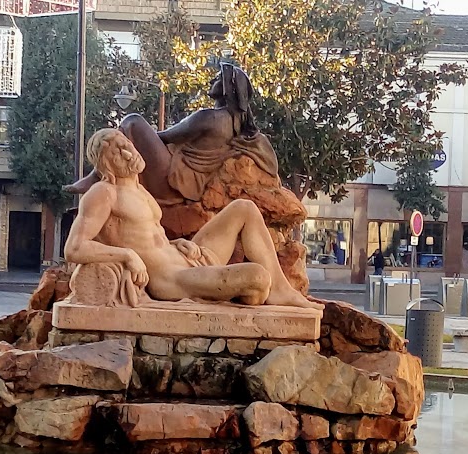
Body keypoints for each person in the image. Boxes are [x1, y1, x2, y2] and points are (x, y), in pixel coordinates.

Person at [64, 128, 321, 310]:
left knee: (244, 208)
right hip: (173, 279)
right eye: (117, 154)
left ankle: (280, 290)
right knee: (257, 277)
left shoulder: (140, 190)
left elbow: (150, 238)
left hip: (189, 258)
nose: (129, 153)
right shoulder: (104, 193)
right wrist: (128, 256)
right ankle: (253, 289)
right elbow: (74, 247)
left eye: (125, 145)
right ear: (106, 167)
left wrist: (175, 243)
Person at [64, 63, 280, 206]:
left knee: (133, 122)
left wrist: (138, 139)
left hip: (174, 182)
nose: (211, 82)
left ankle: (96, 175)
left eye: (216, 79)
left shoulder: (210, 117)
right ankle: (98, 176)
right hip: (188, 186)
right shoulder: (236, 125)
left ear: (227, 88)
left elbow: (164, 137)